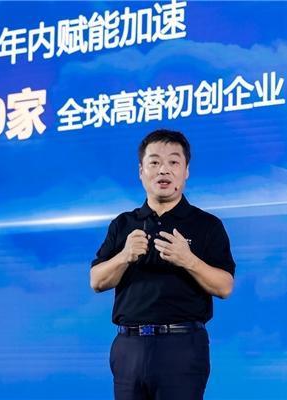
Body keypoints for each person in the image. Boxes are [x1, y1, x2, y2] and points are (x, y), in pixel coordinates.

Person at [90, 129, 236, 400]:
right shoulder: (123, 224)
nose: (163, 170)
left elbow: (225, 286)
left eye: (173, 162)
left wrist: (188, 260)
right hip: (128, 346)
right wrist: (124, 256)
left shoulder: (207, 225)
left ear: (186, 171)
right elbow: (96, 281)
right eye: (154, 162)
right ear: (141, 171)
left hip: (181, 347)